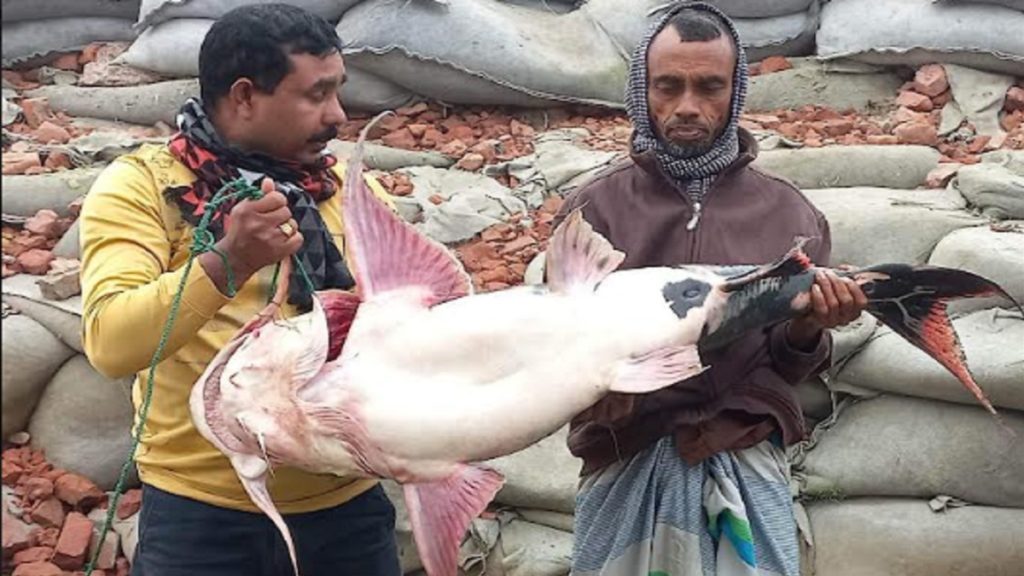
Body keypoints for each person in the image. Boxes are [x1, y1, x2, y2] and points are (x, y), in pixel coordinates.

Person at [78, 4, 401, 575]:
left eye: (338, 91)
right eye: (316, 95)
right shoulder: (146, 187)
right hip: (201, 517)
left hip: (345, 508)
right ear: (245, 96)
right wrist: (229, 263)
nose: (338, 115)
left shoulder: (352, 194)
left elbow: (405, 325)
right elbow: (111, 343)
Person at [553, 3, 867, 575]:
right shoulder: (594, 210)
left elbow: (792, 365)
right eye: (668, 86)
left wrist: (810, 326)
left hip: (742, 455)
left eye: (709, 87)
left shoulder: (789, 214)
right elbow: (562, 342)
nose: (688, 106)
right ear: (642, 89)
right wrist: (600, 390)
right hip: (626, 453)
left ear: (736, 90)